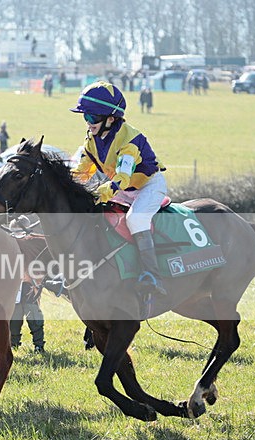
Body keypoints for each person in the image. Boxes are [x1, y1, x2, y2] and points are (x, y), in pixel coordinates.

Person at [69, 81, 168, 296]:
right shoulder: (92, 139)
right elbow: (82, 171)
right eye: (85, 117)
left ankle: (153, 276)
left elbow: (122, 177)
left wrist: (102, 192)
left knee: (136, 220)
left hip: (148, 187)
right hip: (125, 189)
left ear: (111, 119)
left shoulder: (129, 141)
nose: (88, 123)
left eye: (92, 118)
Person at [10, 278, 45, 353]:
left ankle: (39, 346)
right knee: (14, 320)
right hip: (14, 287)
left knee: (34, 317)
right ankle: (13, 344)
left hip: (29, 286)